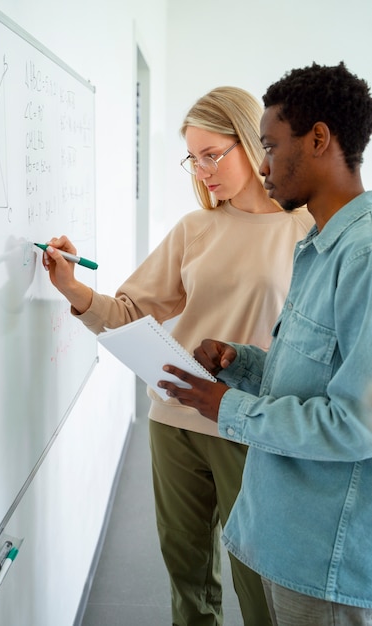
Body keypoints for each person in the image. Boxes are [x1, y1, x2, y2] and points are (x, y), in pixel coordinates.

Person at [41, 86, 313, 626]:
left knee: (259, 582)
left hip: (249, 426)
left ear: (251, 142)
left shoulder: (303, 227)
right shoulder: (195, 229)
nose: (202, 170)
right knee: (187, 580)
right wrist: (74, 290)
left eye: (214, 154)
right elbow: (129, 310)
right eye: (193, 157)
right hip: (175, 421)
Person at [157, 62, 372, 626]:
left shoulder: (363, 258)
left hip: (325, 555)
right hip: (291, 537)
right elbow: (314, 372)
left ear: (319, 140)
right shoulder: (321, 246)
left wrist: (228, 407)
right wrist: (245, 364)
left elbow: (357, 425)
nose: (264, 165)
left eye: (270, 146)